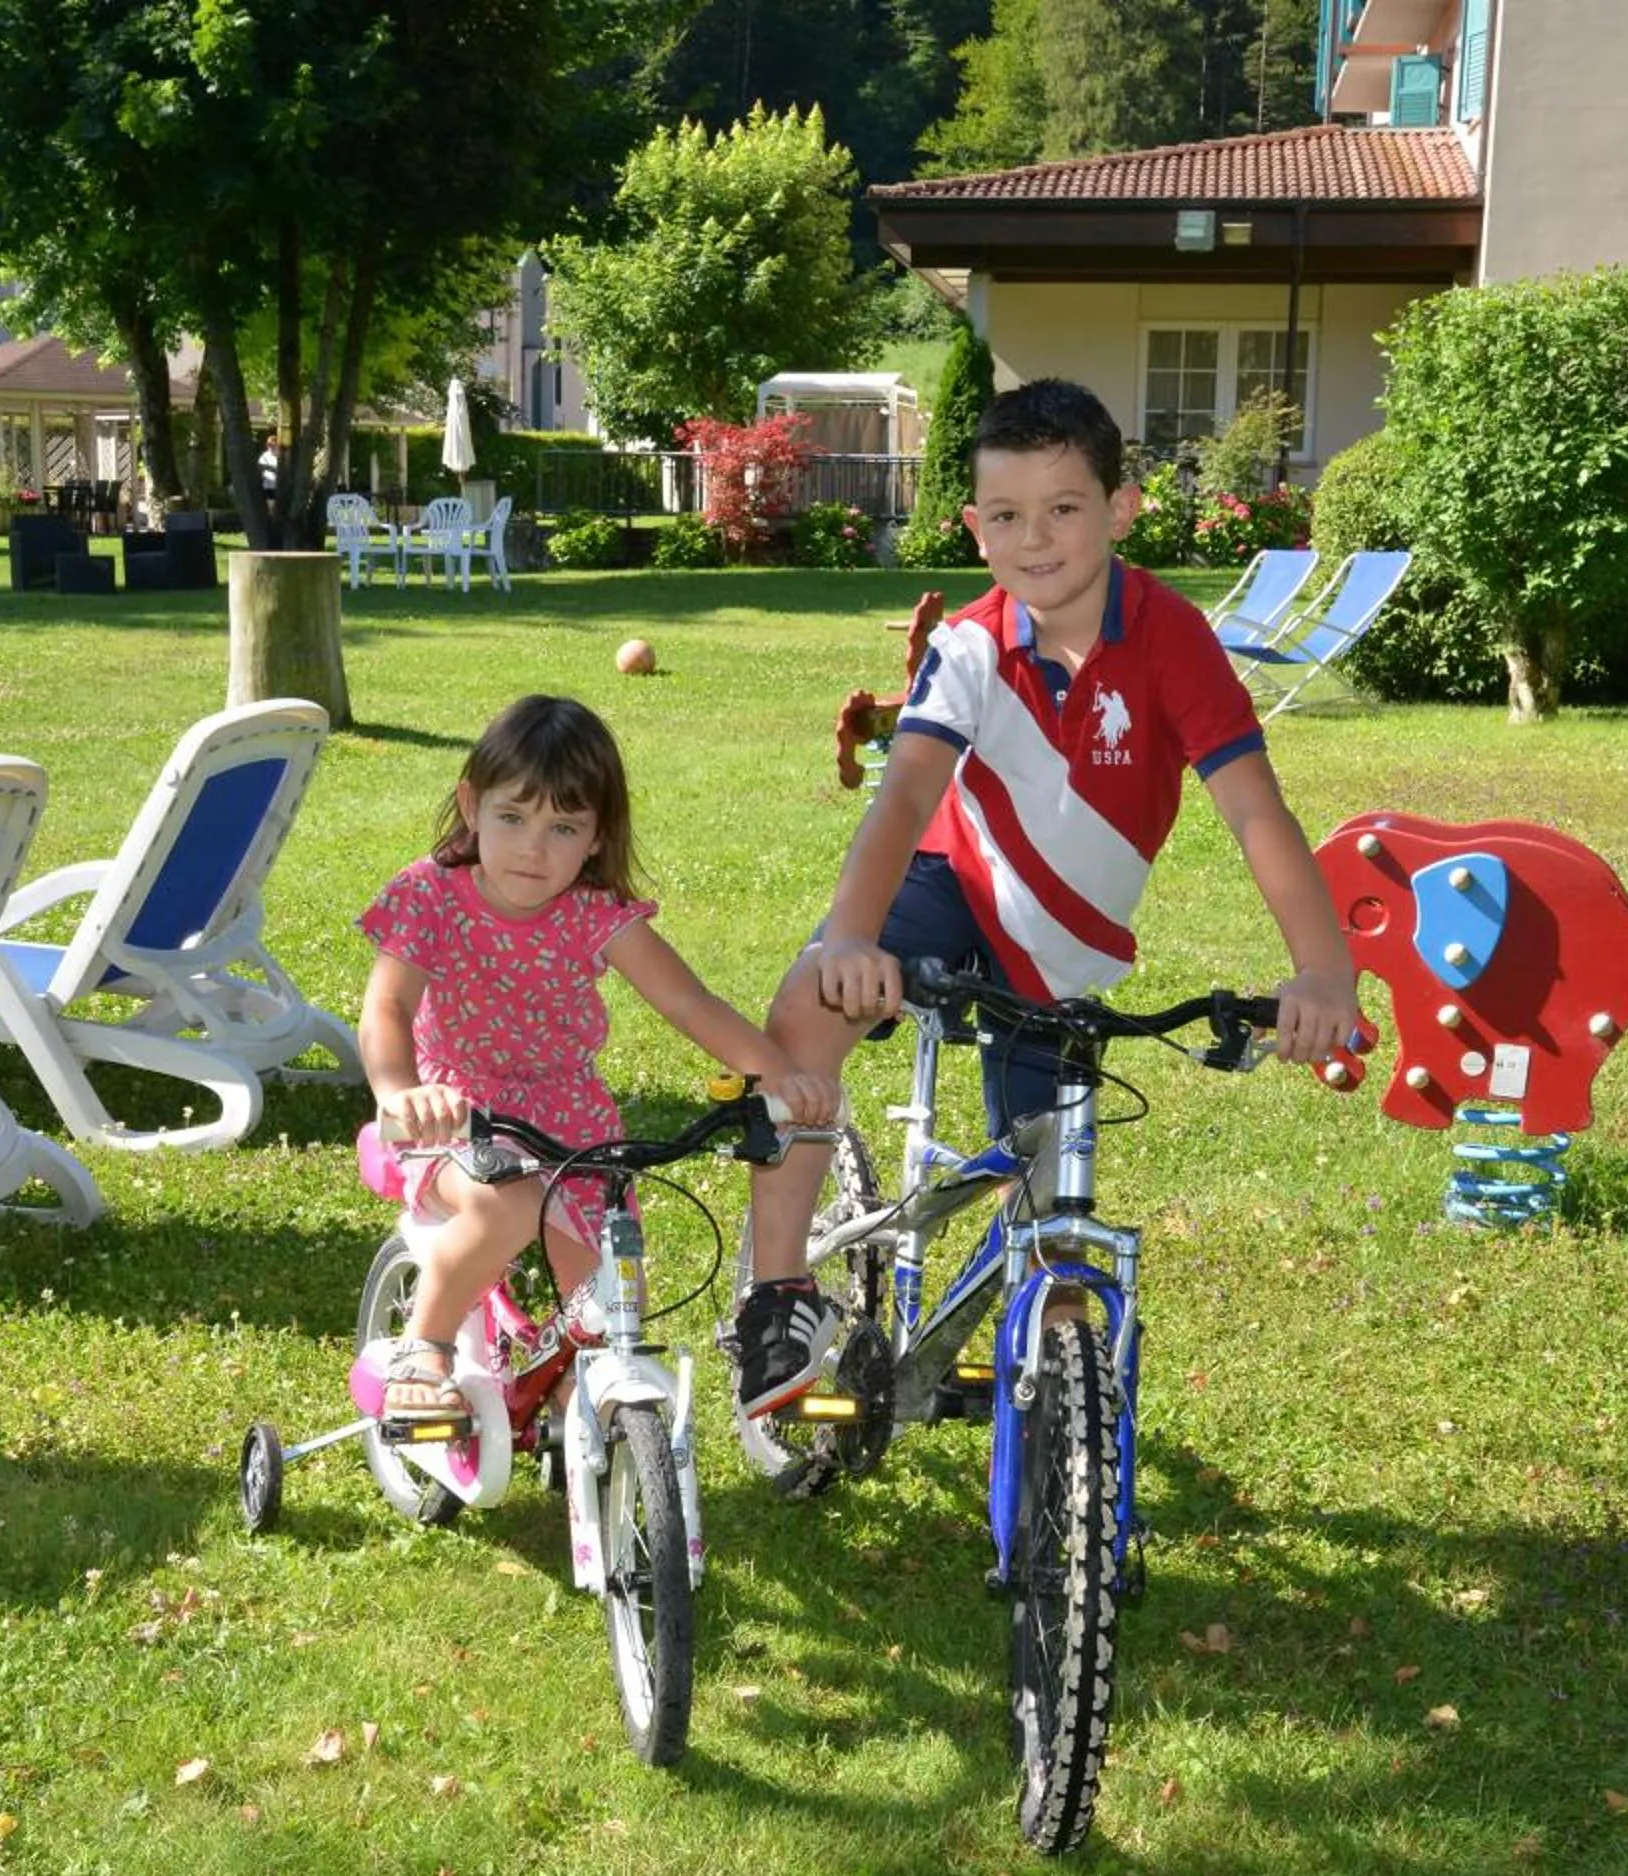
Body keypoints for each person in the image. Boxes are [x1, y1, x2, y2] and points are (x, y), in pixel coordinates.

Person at [723, 378, 1367, 1422]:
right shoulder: (971, 645)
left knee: (1051, 1217)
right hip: (950, 884)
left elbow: (1257, 812)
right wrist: (849, 935)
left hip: (1064, 945)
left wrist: (1324, 967)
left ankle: (1051, 1402)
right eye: (1008, 514)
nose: (1036, 538)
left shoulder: (1175, 641)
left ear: (1121, 510)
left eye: (1065, 508)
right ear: (975, 527)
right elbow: (906, 797)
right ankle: (779, 1290)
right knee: (808, 1008)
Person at [359, 693, 840, 1415]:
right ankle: (423, 1344)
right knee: (505, 1211)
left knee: (612, 1300)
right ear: (470, 805)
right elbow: (388, 1006)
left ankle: (577, 1426)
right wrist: (402, 1092)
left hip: (572, 1119)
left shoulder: (595, 915)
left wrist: (780, 1074)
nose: (533, 848)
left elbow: (690, 1004)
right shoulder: (431, 896)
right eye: (512, 817)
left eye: (563, 827)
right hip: (458, 1113)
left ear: (595, 836)